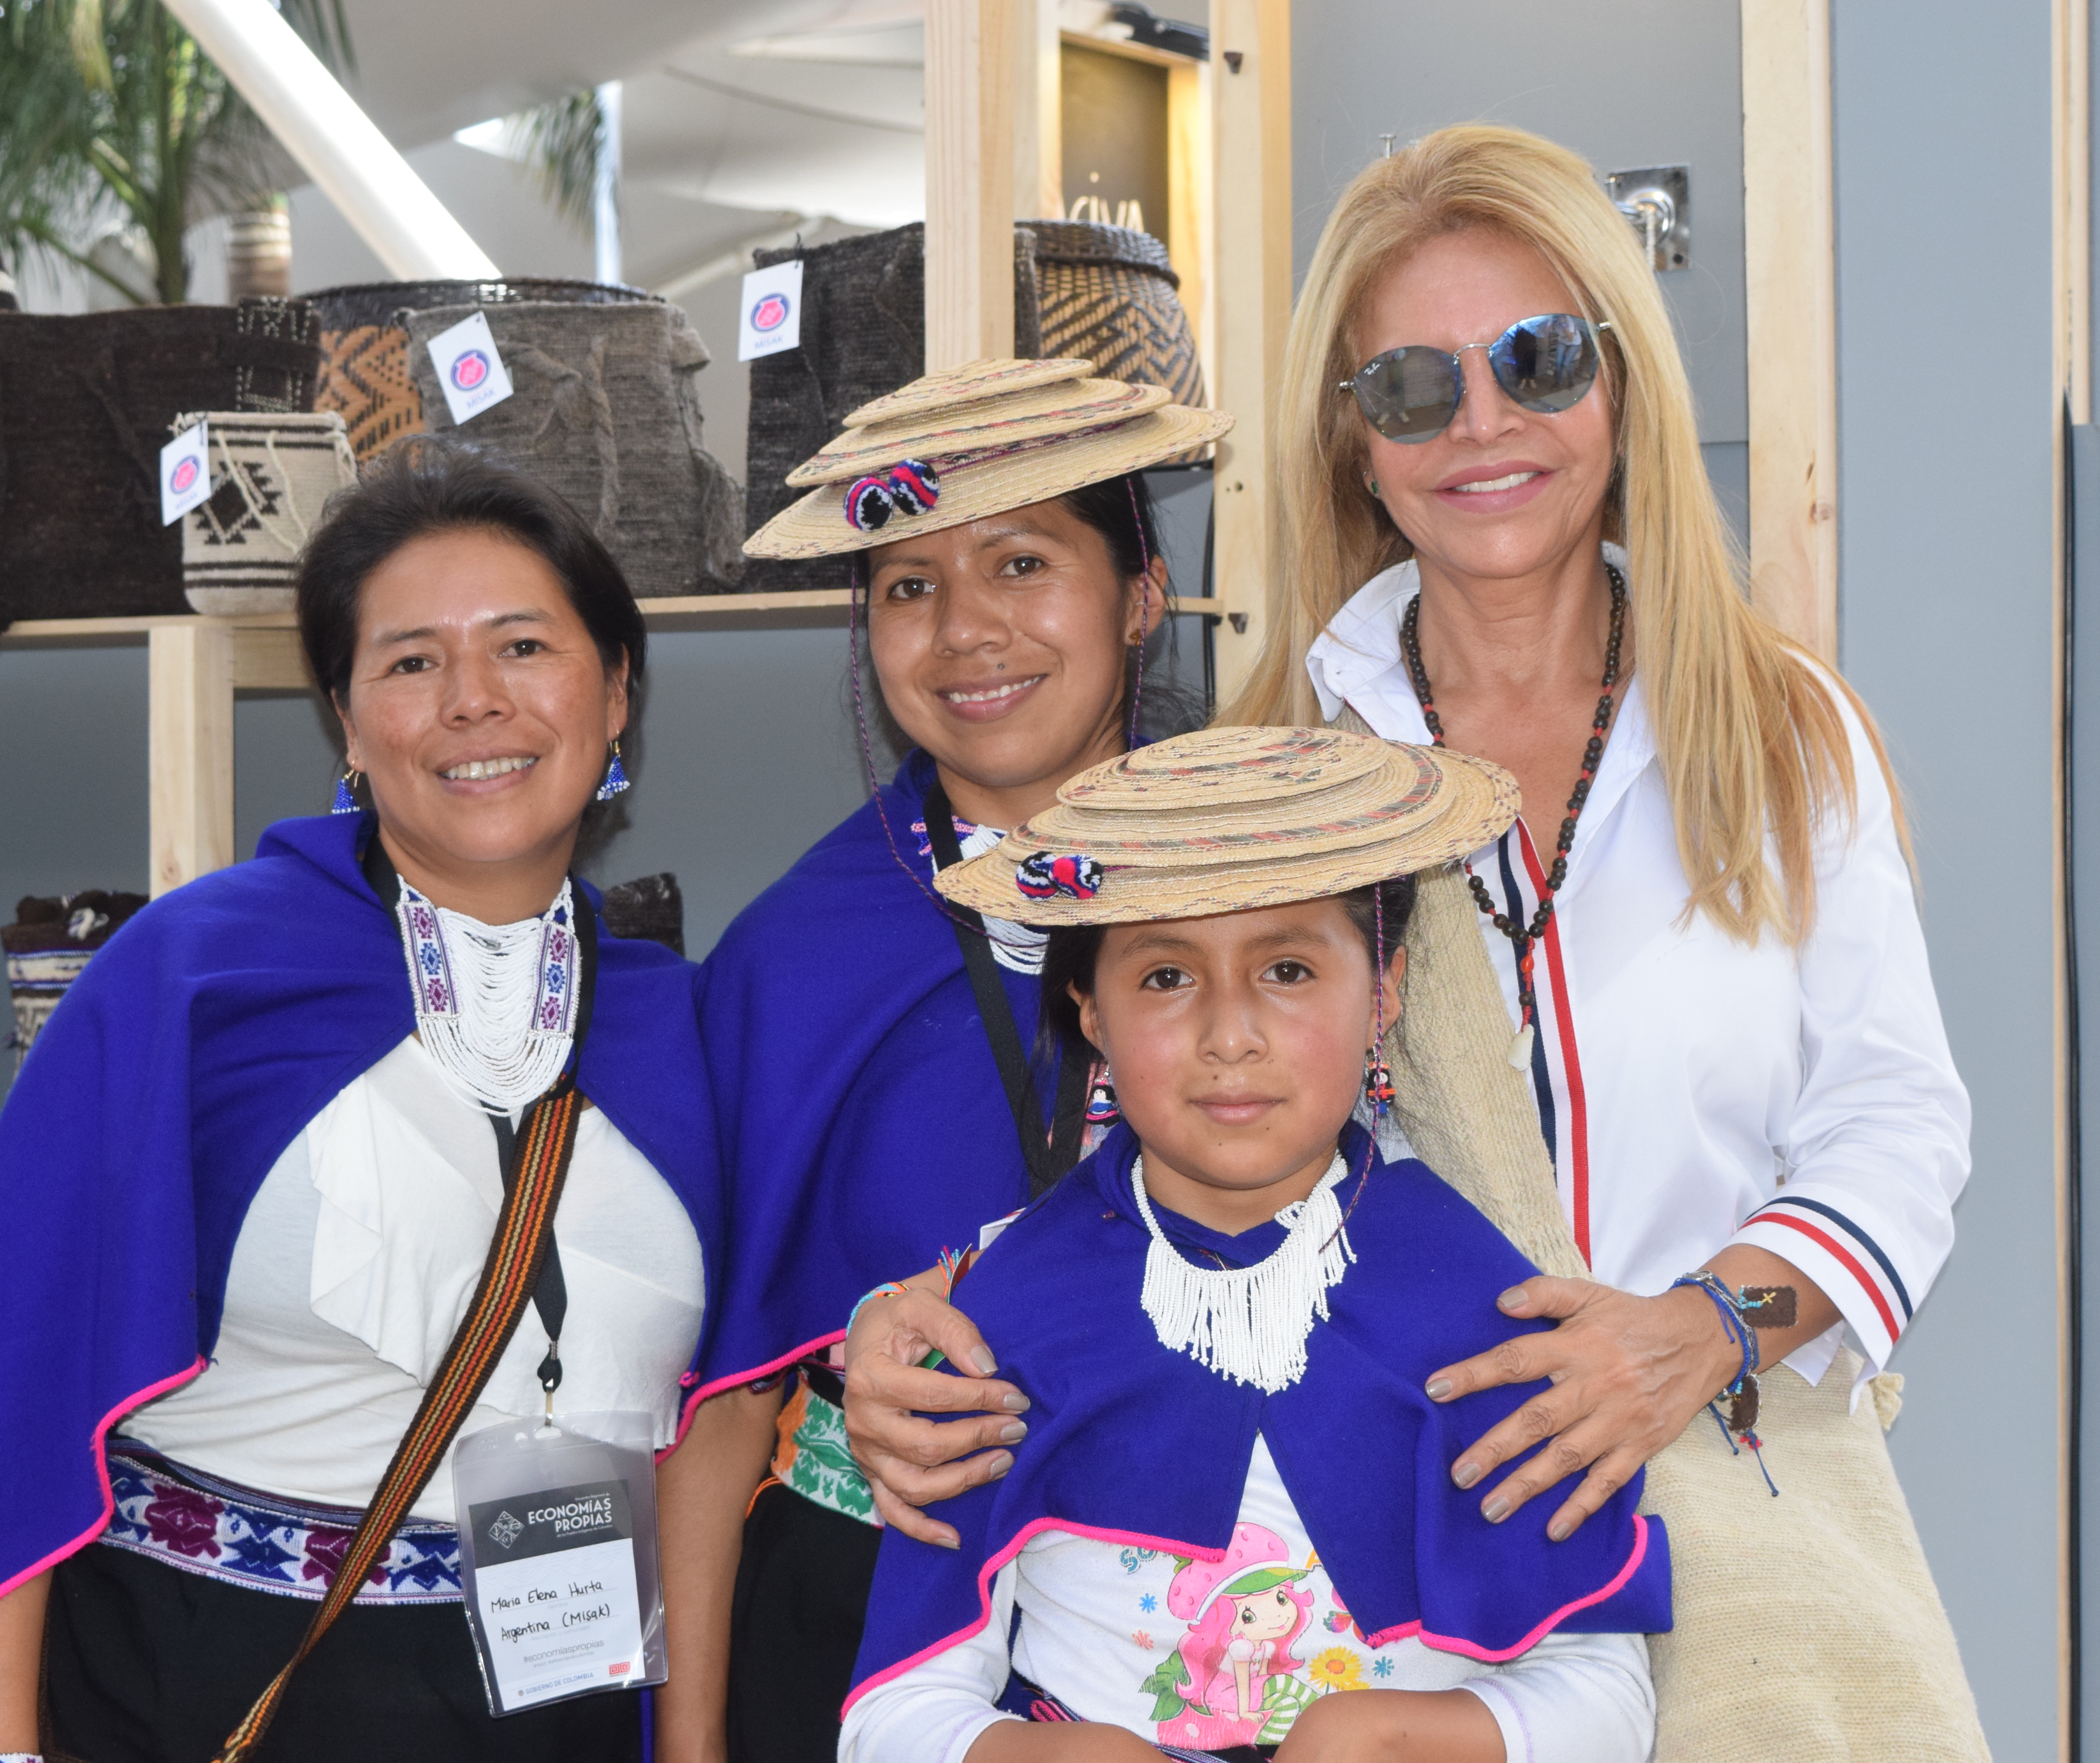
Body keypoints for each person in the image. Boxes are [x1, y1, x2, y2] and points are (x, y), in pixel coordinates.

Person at [842, 126, 1991, 1758]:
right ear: (1351, 442)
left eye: (1537, 357)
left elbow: (1897, 1121)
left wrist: (1700, 1330)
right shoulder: (1275, 757)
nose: (1484, 424)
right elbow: (1165, 1142)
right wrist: (928, 1321)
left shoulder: (1781, 730)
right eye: (1409, 388)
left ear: (1626, 377)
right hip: (1405, 1561)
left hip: (1743, 1504)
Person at [0, 442, 747, 1763]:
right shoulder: (195, 977)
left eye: (523, 648)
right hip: (207, 1680)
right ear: (345, 719)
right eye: (411, 661)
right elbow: (10, 1383)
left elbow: (733, 1407)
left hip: (568, 1701)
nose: (471, 702)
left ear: (616, 694)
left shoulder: (693, 1022)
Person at [839, 725, 1664, 1763]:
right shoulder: (996, 1323)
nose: (1232, 1035)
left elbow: (1605, 1693)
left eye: (1285, 967)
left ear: (1385, 991)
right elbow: (892, 1717)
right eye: (1165, 979)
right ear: (1087, 1008)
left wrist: (1385, 1743)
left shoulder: (1488, 1312)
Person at [685, 358, 1232, 1760]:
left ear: (1142, 592)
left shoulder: (1276, 898)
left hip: (1222, 1611)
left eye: (1022, 561)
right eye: (909, 585)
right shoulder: (793, 959)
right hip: (869, 1611)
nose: (965, 629)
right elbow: (724, 1398)